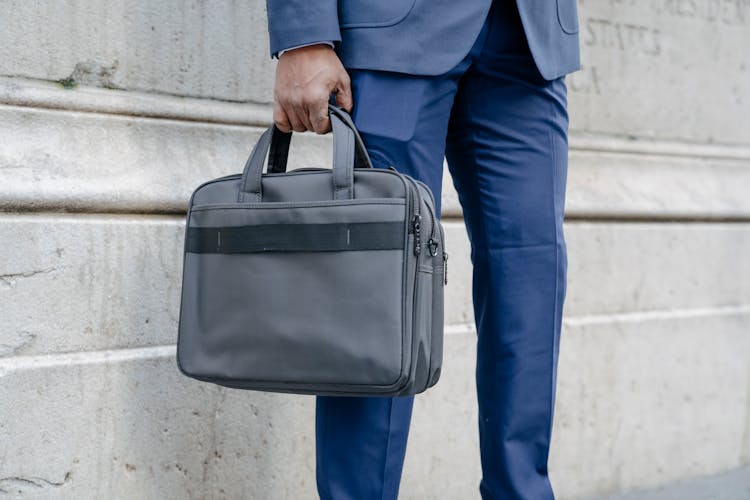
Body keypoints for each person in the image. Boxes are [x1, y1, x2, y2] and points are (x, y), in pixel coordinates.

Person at [265, 0, 580, 498]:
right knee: (376, 293)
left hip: (531, 38)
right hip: (393, 31)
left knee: (532, 281)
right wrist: (305, 34)